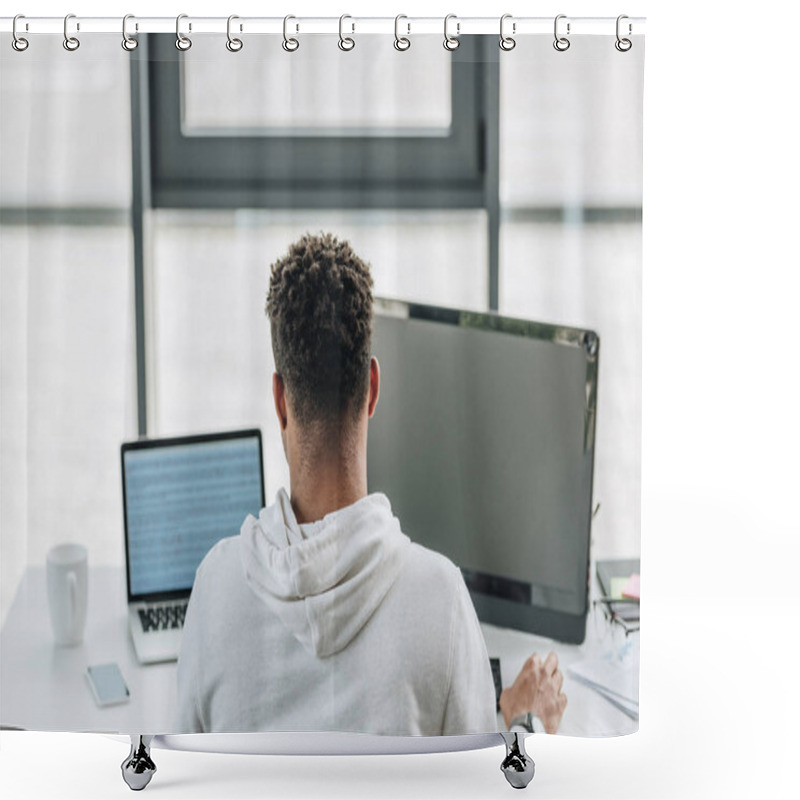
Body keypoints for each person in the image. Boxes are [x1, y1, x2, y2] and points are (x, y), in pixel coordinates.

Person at [176, 232, 567, 736]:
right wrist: (528, 723)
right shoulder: (441, 601)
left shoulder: (215, 589)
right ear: (373, 388)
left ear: (279, 401)